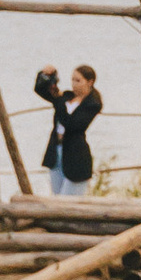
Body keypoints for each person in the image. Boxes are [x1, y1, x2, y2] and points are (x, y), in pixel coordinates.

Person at [35, 62, 104, 197]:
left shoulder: (92, 104)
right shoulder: (67, 97)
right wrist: (46, 75)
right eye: (72, 80)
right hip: (56, 151)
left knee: (69, 200)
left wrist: (59, 102)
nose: (74, 84)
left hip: (76, 156)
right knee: (55, 197)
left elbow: (72, 124)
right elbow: (41, 90)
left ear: (90, 82)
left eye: (78, 80)